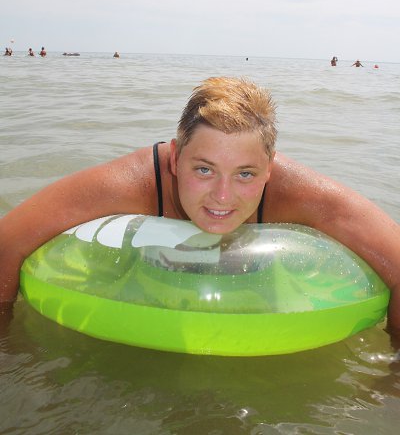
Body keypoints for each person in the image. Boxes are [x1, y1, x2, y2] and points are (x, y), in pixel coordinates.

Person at [1, 77, 400, 335]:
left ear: (269, 168)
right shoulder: (135, 182)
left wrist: (390, 377)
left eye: (245, 174)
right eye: (204, 169)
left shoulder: (298, 193)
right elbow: (7, 242)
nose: (223, 196)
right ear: (176, 158)